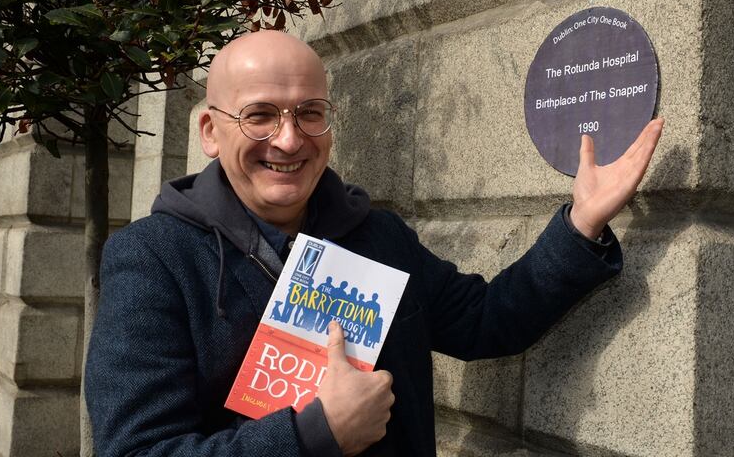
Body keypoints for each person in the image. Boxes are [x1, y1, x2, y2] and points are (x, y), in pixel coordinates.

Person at [85, 30, 664, 457]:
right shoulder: (152, 259)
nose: (288, 139)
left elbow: (487, 320)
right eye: (259, 115)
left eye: (309, 113)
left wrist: (580, 224)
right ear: (211, 131)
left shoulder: (379, 237)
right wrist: (314, 434)